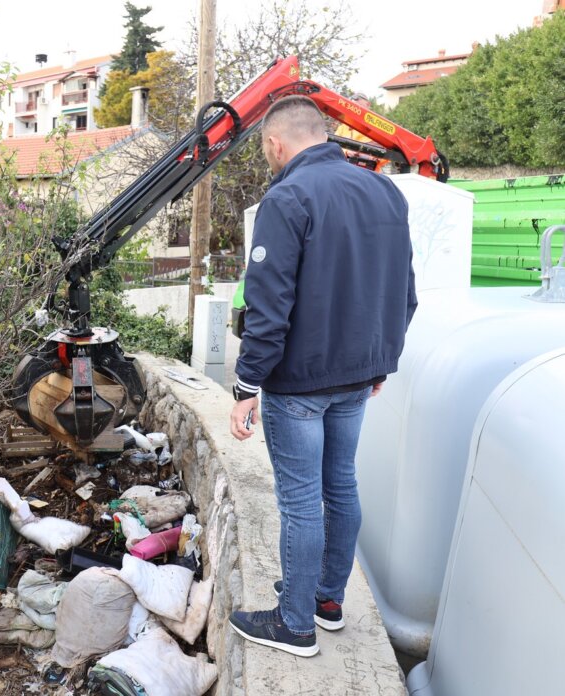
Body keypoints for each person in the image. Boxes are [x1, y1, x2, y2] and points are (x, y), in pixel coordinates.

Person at [227, 95, 416, 657]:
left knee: (303, 501)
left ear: (275, 143)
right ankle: (327, 601)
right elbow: (403, 290)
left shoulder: (287, 197)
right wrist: (380, 361)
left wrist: (245, 385)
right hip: (357, 378)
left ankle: (295, 624)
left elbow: (268, 306)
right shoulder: (384, 190)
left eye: (265, 148)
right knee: (341, 485)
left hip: (301, 384)